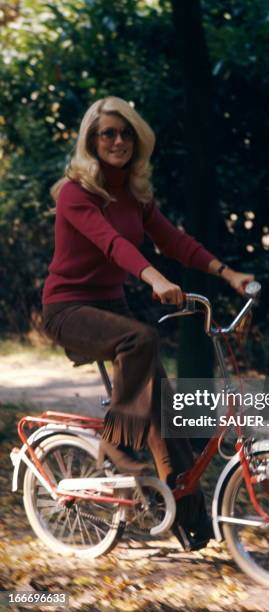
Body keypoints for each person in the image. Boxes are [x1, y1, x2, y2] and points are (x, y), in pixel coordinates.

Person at [42, 96, 254, 550]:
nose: (118, 141)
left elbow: (173, 240)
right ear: (91, 141)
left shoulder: (136, 196)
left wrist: (226, 272)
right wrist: (154, 277)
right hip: (67, 308)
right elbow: (111, 243)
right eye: (107, 134)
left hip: (110, 307)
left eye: (125, 134)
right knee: (141, 337)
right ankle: (117, 452)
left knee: (166, 415)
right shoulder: (76, 193)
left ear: (136, 140)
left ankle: (191, 525)